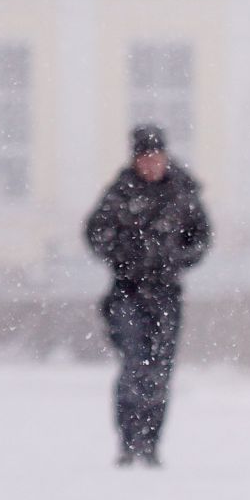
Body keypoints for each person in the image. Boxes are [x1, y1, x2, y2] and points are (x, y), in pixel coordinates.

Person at [83, 124, 212, 466]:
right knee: (134, 365)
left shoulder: (183, 193)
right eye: (145, 158)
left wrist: (178, 258)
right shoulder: (120, 193)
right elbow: (95, 232)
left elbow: (201, 236)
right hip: (127, 292)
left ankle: (150, 444)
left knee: (160, 370)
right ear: (136, 159)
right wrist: (123, 256)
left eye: (156, 157)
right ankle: (128, 441)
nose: (151, 164)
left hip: (167, 294)